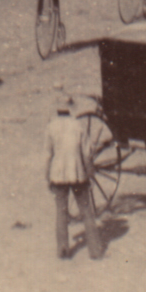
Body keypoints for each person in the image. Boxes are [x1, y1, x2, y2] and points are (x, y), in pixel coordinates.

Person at [44, 92, 106, 260]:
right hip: (78, 175)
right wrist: (90, 174)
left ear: (57, 109)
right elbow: (87, 154)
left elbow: (48, 155)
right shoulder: (78, 126)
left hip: (58, 176)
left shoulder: (51, 127)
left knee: (61, 212)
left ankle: (63, 250)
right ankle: (95, 251)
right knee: (86, 211)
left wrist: (47, 176)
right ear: (70, 108)